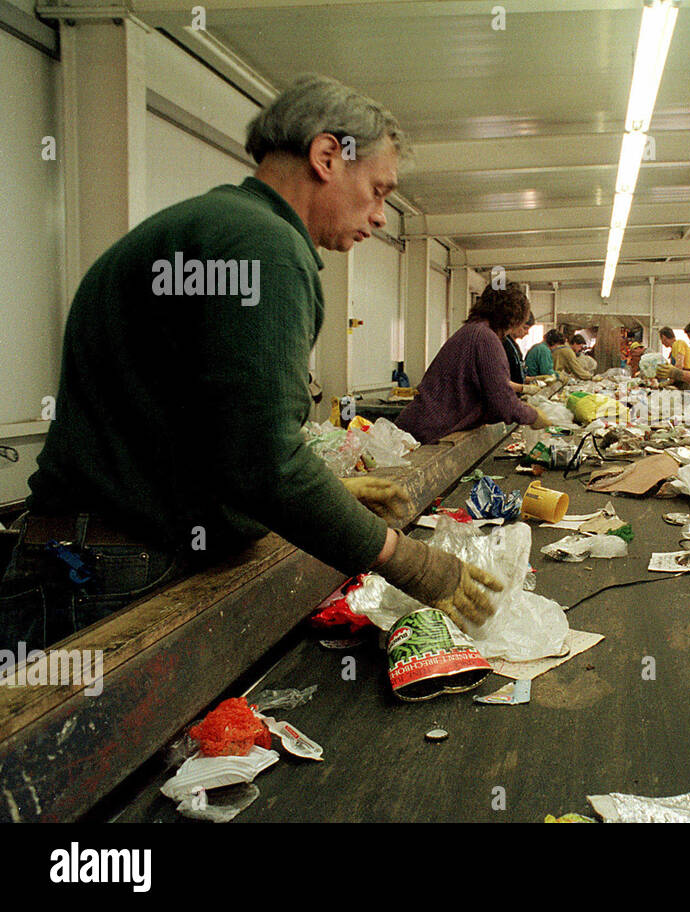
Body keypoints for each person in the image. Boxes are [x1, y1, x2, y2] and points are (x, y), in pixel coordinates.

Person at [2, 74, 500, 652]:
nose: (383, 216)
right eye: (379, 190)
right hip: (108, 571)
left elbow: (216, 437)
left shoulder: (208, 226)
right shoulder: (264, 247)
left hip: (83, 554)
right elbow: (265, 463)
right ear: (327, 156)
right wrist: (410, 561)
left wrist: (328, 491)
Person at [397, 282, 547, 443]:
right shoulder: (486, 338)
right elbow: (502, 402)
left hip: (420, 427)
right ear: (514, 316)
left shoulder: (473, 330)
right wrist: (533, 416)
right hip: (425, 433)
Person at [501, 309, 531, 389]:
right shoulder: (503, 343)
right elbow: (500, 380)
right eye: (524, 328)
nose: (527, 332)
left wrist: (534, 379)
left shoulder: (512, 344)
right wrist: (522, 388)